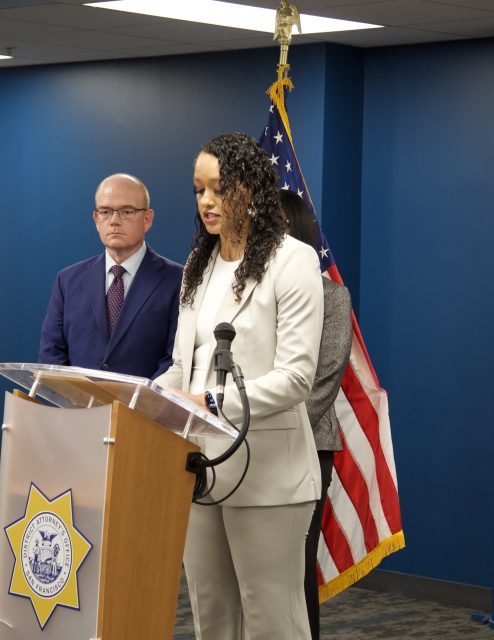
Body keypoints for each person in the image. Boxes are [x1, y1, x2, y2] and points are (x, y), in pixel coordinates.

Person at [155, 133, 323, 640]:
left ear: (249, 188)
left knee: (271, 617)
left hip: (270, 476)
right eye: (197, 190)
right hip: (202, 470)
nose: (205, 201)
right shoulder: (198, 264)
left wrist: (209, 402)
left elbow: (296, 378)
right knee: (212, 616)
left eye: (217, 188)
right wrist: (146, 394)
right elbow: (186, 365)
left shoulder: (292, 260)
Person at [280, 190, 353, 640]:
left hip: (306, 445)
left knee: (295, 566)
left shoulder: (332, 296)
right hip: (245, 449)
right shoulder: (246, 293)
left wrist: (266, 430)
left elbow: (324, 381)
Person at [38, 173, 182, 378]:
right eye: (105, 211)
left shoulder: (177, 280)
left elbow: (174, 360)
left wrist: (140, 404)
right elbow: (51, 355)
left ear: (147, 219)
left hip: (142, 408)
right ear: (96, 219)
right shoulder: (67, 281)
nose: (114, 221)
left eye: (127, 211)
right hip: (78, 408)